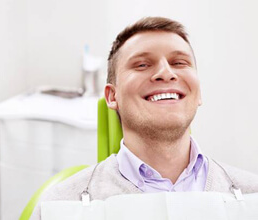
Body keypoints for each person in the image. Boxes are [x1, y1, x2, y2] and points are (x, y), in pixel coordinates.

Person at [30, 16, 258, 219]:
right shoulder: (59, 206)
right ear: (112, 96)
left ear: (198, 92)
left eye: (179, 62)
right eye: (142, 64)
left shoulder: (253, 194)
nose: (166, 73)